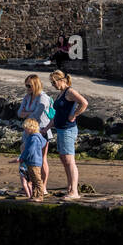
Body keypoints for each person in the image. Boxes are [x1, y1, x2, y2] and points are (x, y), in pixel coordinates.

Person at [49, 70, 88, 200]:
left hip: (68, 130)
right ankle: (70, 187)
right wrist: (47, 127)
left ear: (61, 80)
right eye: (51, 83)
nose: (53, 85)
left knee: (70, 160)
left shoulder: (69, 92)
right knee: (64, 159)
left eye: (54, 82)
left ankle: (74, 191)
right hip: (60, 129)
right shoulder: (61, 93)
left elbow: (84, 102)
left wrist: (74, 114)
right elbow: (58, 114)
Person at [17, 73, 53, 191]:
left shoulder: (43, 97)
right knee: (29, 158)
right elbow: (19, 113)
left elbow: (36, 114)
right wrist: (28, 113)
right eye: (26, 85)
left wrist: (27, 113)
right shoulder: (27, 97)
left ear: (35, 85)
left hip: (41, 131)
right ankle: (31, 185)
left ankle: (43, 186)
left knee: (42, 159)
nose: (27, 88)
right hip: (28, 131)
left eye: (29, 86)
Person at [17, 119, 47, 200]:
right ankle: (34, 195)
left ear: (31, 128)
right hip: (33, 161)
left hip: (34, 161)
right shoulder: (35, 137)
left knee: (37, 180)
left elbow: (29, 150)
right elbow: (43, 142)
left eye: (26, 128)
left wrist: (22, 158)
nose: (25, 130)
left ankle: (40, 196)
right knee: (33, 180)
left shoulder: (34, 138)